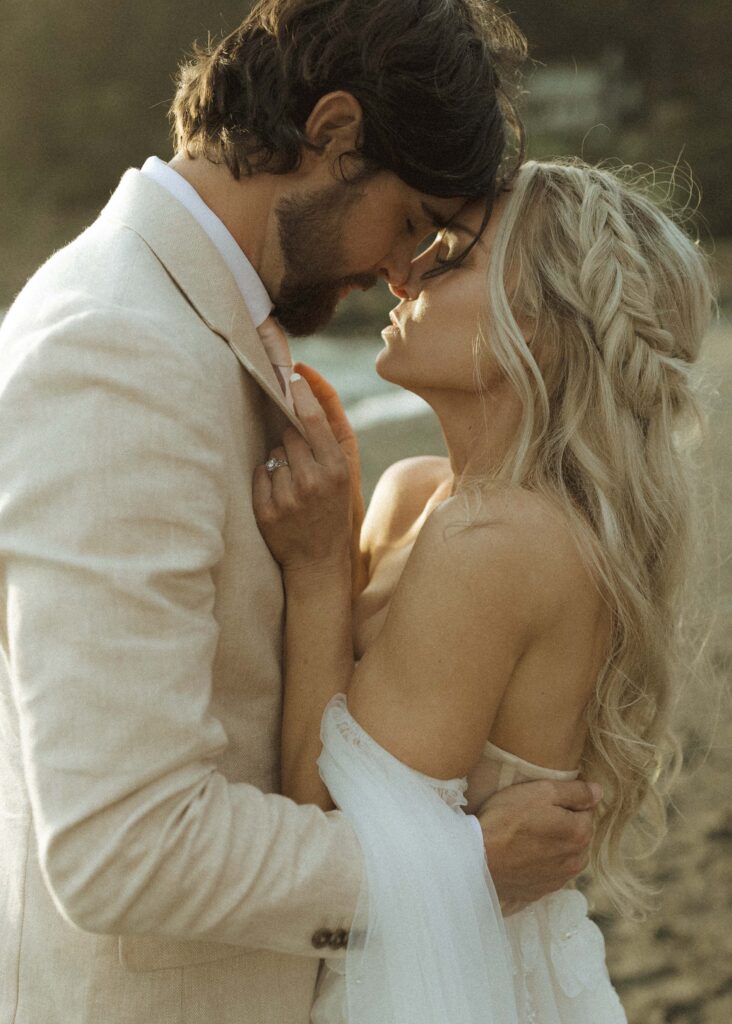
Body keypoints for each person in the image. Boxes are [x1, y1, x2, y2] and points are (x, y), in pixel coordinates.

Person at [0, 4, 600, 1024]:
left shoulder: (191, 315)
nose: (397, 272)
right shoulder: (116, 350)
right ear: (331, 134)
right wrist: (456, 870)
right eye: (410, 222)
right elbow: (122, 845)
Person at [254, 158, 714, 1023]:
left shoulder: (499, 541)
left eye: (451, 258)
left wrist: (318, 572)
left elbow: (318, 819)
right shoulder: (416, 495)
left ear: (537, 327)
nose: (402, 270)